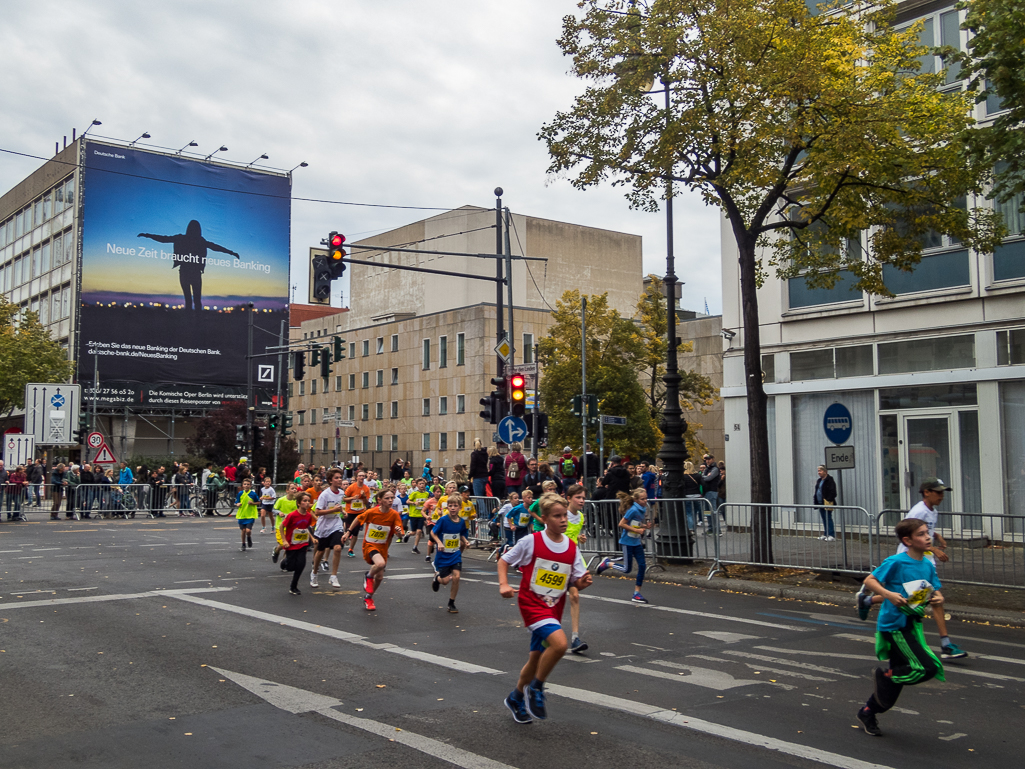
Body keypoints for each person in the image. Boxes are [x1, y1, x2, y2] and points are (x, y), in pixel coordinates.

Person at [498, 492, 593, 723]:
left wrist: (583, 582)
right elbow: (504, 560)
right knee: (560, 644)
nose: (563, 520)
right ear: (544, 518)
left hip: (553, 608)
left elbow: (575, 581)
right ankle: (536, 688)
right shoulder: (531, 541)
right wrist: (503, 584)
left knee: (535, 659)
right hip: (532, 605)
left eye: (564, 516)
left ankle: (516, 697)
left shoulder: (571, 547)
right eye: (557, 516)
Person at [857, 478, 968, 660]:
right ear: (927, 492)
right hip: (910, 558)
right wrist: (934, 548)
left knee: (923, 597)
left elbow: (924, 530)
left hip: (924, 560)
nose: (942, 496)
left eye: (943, 492)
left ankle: (868, 601)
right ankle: (945, 644)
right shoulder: (918, 511)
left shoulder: (932, 511)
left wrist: (937, 536)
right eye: (938, 492)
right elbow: (908, 532)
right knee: (919, 597)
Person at [855, 517, 946, 737]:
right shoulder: (896, 561)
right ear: (907, 540)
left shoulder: (926, 563)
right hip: (895, 626)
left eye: (928, 533)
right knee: (927, 667)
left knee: (893, 689)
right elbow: (869, 580)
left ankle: (868, 711)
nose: (927, 537)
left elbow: (934, 589)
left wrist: (937, 598)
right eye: (922, 534)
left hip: (913, 625)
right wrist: (887, 594)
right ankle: (887, 677)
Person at [138, 221, 240, 311]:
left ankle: (192, 322)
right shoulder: (200, 241)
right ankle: (195, 323)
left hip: (186, 272)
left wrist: (147, 235)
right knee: (196, 300)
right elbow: (215, 247)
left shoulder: (185, 239)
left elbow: (164, 239)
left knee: (189, 299)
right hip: (193, 273)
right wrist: (231, 252)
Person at [343, 488, 403, 612]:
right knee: (380, 564)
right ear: (379, 500)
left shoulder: (394, 514)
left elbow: (400, 534)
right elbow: (358, 519)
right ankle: (368, 575)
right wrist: (348, 532)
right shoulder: (371, 512)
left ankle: (368, 598)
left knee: (380, 577)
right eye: (387, 498)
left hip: (383, 547)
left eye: (392, 498)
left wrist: (399, 533)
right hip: (370, 545)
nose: (390, 500)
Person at [596, 489, 651, 604]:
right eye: (642, 499)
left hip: (636, 542)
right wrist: (639, 529)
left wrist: (645, 526)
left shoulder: (643, 509)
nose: (645, 500)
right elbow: (622, 524)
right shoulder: (633, 510)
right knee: (627, 569)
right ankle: (607, 563)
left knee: (642, 566)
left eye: (646, 498)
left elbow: (635, 523)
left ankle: (637, 593)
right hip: (627, 542)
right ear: (636, 500)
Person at [430, 494, 470, 613]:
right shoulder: (443, 520)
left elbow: (461, 534)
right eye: (450, 506)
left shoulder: (461, 522)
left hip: (455, 554)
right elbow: (433, 533)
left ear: (460, 507)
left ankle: (451, 602)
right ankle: (437, 578)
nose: (452, 508)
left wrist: (466, 541)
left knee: (457, 577)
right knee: (445, 581)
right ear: (447, 507)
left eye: (455, 506)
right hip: (443, 555)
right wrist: (439, 543)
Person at [311, 469, 347, 589]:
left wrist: (343, 511)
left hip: (336, 524)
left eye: (340, 477)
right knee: (320, 551)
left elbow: (339, 506)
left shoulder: (341, 493)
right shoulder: (325, 494)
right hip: (323, 526)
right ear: (330, 480)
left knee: (337, 548)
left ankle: (333, 576)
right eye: (336, 478)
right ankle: (314, 573)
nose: (339, 480)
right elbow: (317, 512)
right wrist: (332, 510)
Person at [564, 484, 589, 653]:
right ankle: (545, 633)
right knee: (551, 598)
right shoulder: (560, 514)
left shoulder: (580, 517)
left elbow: (573, 533)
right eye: (578, 497)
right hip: (557, 559)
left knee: (575, 595)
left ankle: (575, 638)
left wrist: (580, 537)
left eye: (583, 498)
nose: (581, 501)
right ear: (568, 499)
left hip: (572, 558)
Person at [280, 491, 315, 595]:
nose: (307, 503)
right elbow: (282, 526)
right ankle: (284, 562)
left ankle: (293, 586)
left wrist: (312, 538)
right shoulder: (292, 515)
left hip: (302, 544)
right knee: (290, 567)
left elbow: (306, 528)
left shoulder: (308, 516)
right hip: (291, 545)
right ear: (299, 503)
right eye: (304, 501)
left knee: (301, 565)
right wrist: (284, 540)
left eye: (308, 501)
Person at [343, 471, 373, 559]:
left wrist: (364, 497)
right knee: (348, 530)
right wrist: (353, 498)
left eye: (363, 476)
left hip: (360, 512)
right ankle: (346, 537)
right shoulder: (351, 487)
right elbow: (344, 499)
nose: (362, 477)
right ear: (356, 477)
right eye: (360, 476)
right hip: (350, 512)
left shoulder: (366, 488)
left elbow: (367, 503)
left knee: (356, 531)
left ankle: (350, 549)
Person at [271, 482, 299, 564]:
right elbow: (274, 509)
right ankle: (276, 551)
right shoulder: (281, 500)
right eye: (292, 488)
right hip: (281, 526)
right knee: (283, 544)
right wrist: (279, 512)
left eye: (295, 488)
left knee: (289, 545)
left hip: (292, 526)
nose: (294, 490)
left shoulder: (297, 501)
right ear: (287, 490)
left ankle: (285, 562)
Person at [405, 477, 430, 553]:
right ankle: (408, 534)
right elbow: (407, 501)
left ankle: (415, 547)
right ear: (417, 485)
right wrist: (414, 503)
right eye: (420, 484)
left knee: (419, 531)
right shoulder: (414, 493)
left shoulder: (427, 494)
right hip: (413, 514)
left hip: (421, 515)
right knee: (414, 532)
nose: (422, 485)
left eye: (423, 484)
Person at [234, 478, 259, 552]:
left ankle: (249, 537)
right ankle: (243, 544)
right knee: (243, 530)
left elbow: (258, 502)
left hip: (250, 515)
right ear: (242, 485)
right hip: (242, 515)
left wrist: (253, 503)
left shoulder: (253, 494)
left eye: (248, 484)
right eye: (245, 484)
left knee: (248, 530)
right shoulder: (240, 493)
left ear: (250, 485)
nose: (246, 486)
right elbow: (236, 502)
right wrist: (237, 504)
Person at [814, 465, 837, 541]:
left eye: (820, 471)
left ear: (825, 471)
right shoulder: (819, 480)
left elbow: (833, 491)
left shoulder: (829, 480)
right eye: (818, 471)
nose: (819, 472)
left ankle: (831, 534)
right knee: (824, 518)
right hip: (820, 502)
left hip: (826, 502)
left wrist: (829, 499)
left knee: (828, 517)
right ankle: (826, 533)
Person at [700, 454, 721, 534]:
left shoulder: (715, 469)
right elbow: (702, 477)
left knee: (713, 511)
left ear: (713, 459)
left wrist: (704, 477)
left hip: (712, 492)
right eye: (706, 459)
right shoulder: (707, 469)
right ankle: (710, 528)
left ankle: (717, 529)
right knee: (707, 511)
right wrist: (705, 477)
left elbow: (708, 478)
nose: (707, 461)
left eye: (709, 459)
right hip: (706, 492)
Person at [682, 460, 702, 532]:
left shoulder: (683, 476)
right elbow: (702, 484)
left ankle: (691, 529)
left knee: (689, 513)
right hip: (697, 495)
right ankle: (694, 527)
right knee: (695, 512)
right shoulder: (698, 475)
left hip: (687, 496)